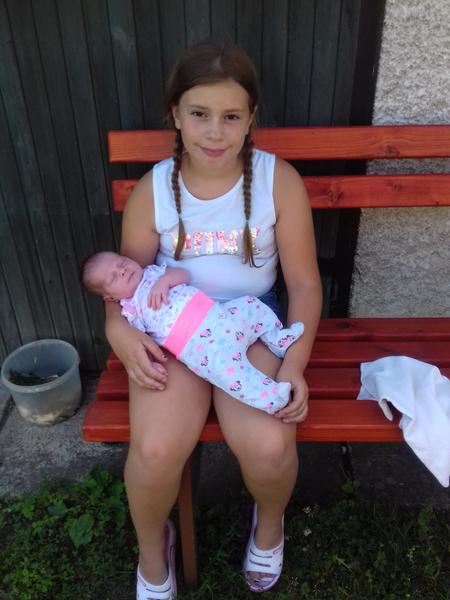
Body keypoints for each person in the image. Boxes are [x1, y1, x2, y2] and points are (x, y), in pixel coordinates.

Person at [103, 38, 322, 599]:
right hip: (172, 328)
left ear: (251, 119)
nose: (215, 132)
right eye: (199, 114)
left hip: (249, 326)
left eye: (231, 116)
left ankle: (269, 526)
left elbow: (303, 284)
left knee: (270, 446)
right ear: (175, 115)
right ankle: (153, 553)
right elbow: (123, 283)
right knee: (155, 450)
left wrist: (294, 364)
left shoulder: (277, 181)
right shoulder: (154, 190)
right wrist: (117, 330)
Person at [83, 251, 305, 414]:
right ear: (110, 297)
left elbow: (183, 275)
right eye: (113, 278)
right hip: (202, 348)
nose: (122, 270)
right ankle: (272, 397)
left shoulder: (153, 272)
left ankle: (276, 338)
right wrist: (151, 362)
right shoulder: (131, 310)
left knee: (251, 305)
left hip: (220, 315)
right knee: (234, 376)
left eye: (121, 262)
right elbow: (142, 342)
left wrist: (166, 280)